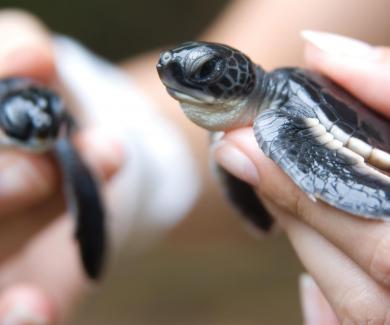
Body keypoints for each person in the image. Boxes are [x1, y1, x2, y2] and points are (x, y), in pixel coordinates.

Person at [0, 1, 390, 323]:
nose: (179, 82)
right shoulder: (242, 122)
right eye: (171, 79)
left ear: (241, 77)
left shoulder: (276, 121)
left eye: (205, 71)